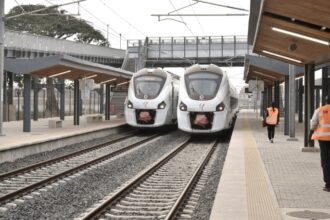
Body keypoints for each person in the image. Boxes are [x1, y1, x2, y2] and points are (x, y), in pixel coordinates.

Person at [310, 95, 330, 192]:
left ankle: (328, 184)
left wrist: (310, 134)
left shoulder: (320, 110)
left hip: (323, 139)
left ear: (326, 100)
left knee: (325, 161)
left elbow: (313, 123)